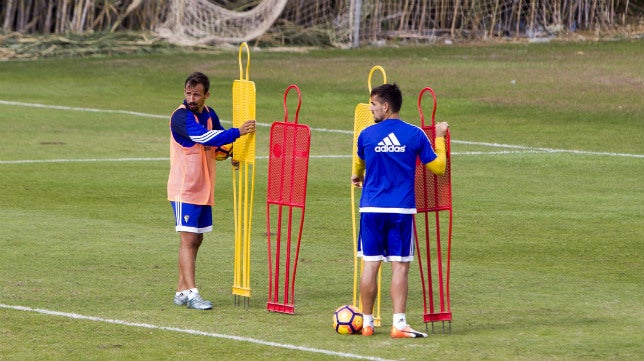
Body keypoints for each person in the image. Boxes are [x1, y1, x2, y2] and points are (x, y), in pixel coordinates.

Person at [351, 83, 449, 337]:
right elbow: (438, 167)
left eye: (373, 104)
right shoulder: (415, 134)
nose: (370, 109)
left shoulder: (366, 134)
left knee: (370, 266)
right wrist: (439, 136)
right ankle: (398, 324)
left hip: (371, 208)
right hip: (400, 210)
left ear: (385, 106)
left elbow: (360, 163)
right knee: (400, 266)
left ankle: (368, 323)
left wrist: (357, 176)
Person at [167, 72, 256, 310]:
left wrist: (233, 153)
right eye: (188, 93)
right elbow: (204, 137)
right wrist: (238, 132)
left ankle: (181, 291)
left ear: (207, 94)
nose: (192, 98)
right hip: (184, 189)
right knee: (187, 239)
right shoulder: (180, 116)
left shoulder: (209, 114)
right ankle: (193, 293)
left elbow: (218, 142)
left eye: (197, 94)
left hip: (203, 188)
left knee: (197, 239)